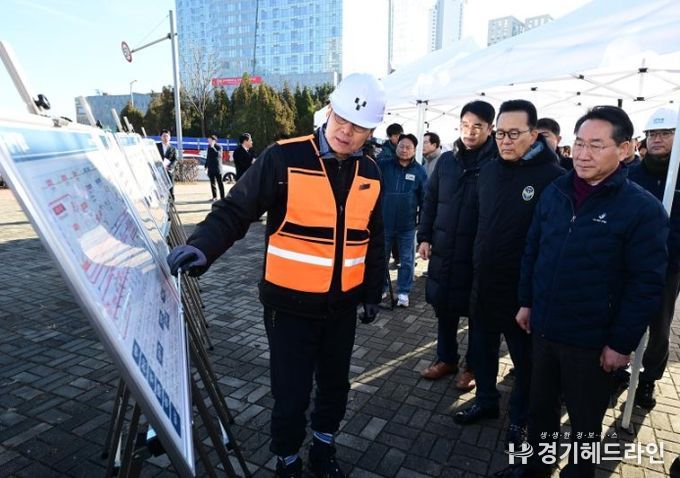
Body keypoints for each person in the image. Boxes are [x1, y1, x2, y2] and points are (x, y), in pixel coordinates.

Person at [166, 73, 386, 478]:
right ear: (329, 111)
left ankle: (323, 449)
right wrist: (202, 246)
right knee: (291, 394)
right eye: (341, 119)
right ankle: (287, 460)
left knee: (335, 387)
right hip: (289, 309)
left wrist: (373, 291)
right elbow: (236, 210)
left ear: (370, 132)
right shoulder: (284, 157)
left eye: (358, 127)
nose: (346, 131)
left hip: (342, 308)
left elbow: (374, 235)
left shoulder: (371, 172)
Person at [513, 106, 668, 478]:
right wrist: (526, 301)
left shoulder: (642, 209)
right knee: (541, 410)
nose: (583, 154)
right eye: (579, 143)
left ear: (625, 149)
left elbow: (646, 283)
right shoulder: (555, 191)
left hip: (593, 342)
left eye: (596, 145)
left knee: (585, 423)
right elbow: (533, 249)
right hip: (544, 328)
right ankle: (536, 467)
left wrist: (621, 343)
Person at [453, 101, 564, 451]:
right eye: (500, 133)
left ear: (534, 134)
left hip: (522, 294)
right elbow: (475, 225)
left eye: (514, 134)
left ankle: (520, 418)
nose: (505, 141)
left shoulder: (553, 178)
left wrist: (532, 297)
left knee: (525, 363)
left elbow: (552, 245)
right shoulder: (487, 171)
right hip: (484, 285)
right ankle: (486, 400)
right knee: (482, 352)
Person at [417, 100, 497, 391]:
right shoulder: (447, 161)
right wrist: (424, 236)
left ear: (490, 128)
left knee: (477, 313)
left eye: (477, 126)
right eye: (465, 125)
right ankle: (446, 359)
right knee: (445, 308)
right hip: (445, 248)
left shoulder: (497, 163)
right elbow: (430, 200)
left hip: (478, 254)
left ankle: (472, 367)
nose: (470, 131)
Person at [628, 107, 679, 410]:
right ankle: (618, 370)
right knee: (623, 318)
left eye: (666, 133)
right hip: (630, 264)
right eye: (653, 134)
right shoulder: (632, 175)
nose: (657, 139)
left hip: (668, 267)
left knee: (659, 327)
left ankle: (648, 379)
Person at [378, 133, 427, 307]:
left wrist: (422, 224)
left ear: (414, 150)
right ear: (396, 147)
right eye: (401, 146)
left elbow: (425, 200)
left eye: (408, 147)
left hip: (407, 226)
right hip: (384, 223)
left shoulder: (419, 171)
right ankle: (381, 288)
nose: (404, 150)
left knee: (406, 260)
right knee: (381, 259)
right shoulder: (383, 166)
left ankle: (404, 292)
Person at [157, 129, 178, 199]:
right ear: (161, 137)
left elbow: (175, 160)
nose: (165, 138)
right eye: (164, 136)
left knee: (171, 189)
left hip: (169, 171)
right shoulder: (156, 146)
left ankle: (171, 202)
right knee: (160, 188)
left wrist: (170, 167)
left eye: (167, 136)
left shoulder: (173, 148)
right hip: (159, 171)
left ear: (170, 137)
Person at [205, 134, 224, 201]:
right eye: (208, 140)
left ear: (214, 140)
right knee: (212, 183)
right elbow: (208, 157)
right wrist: (206, 166)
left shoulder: (219, 147)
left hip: (217, 168)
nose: (208, 141)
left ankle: (222, 197)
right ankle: (214, 197)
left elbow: (218, 154)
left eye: (209, 140)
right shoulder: (209, 147)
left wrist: (213, 147)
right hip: (211, 168)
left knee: (220, 183)